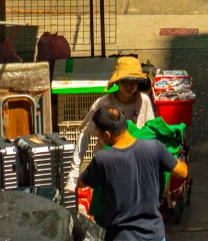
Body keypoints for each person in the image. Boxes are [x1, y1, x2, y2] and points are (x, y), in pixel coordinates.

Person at [79, 102, 185, 241]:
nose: (99, 138)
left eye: (99, 134)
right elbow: (182, 172)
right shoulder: (155, 147)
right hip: (154, 235)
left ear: (107, 134)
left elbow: (81, 182)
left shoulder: (103, 159)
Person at [75, 58, 155, 164]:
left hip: (134, 162)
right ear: (117, 82)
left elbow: (151, 134)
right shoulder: (103, 103)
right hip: (107, 163)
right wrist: (74, 171)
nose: (130, 86)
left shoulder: (143, 101)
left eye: (134, 81)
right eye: (125, 81)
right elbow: (85, 133)